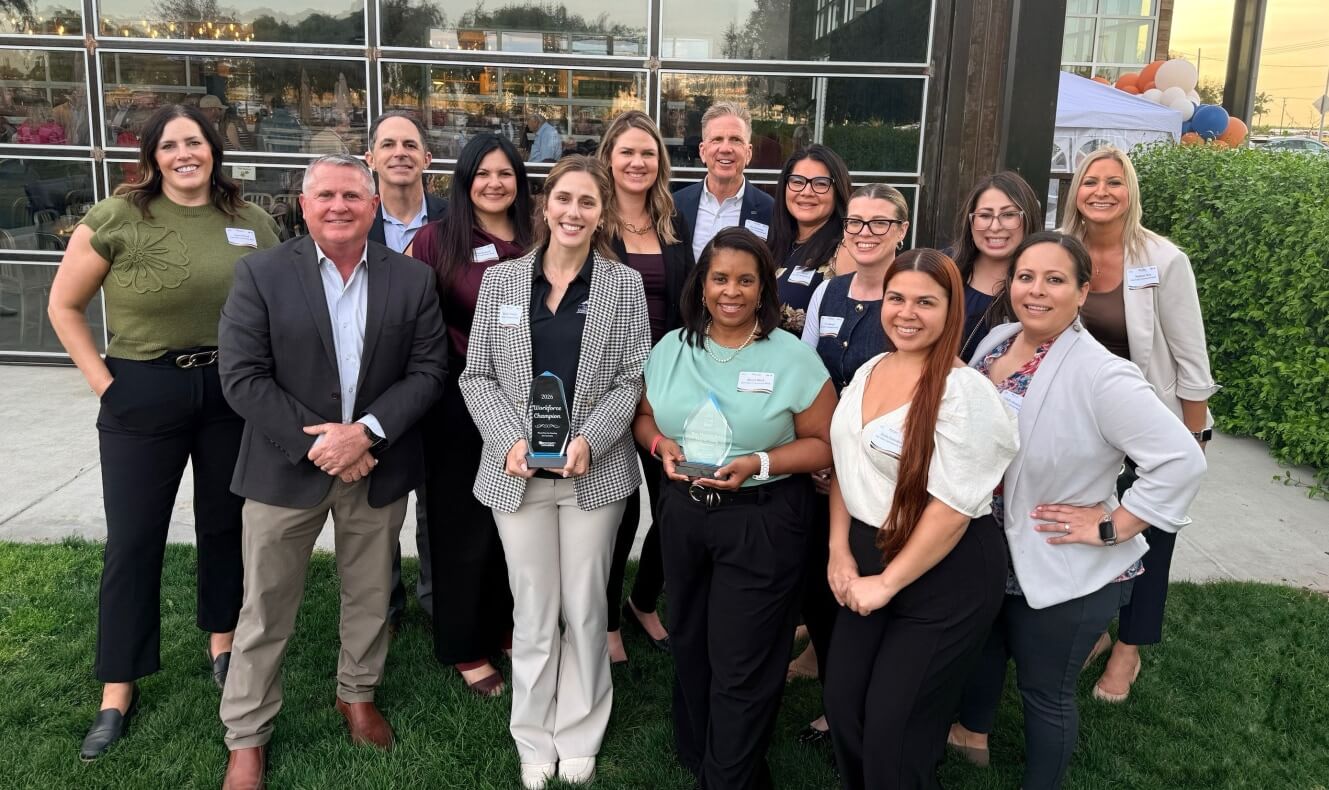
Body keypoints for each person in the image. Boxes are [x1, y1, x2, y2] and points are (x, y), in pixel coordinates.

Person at [46, 104, 281, 761]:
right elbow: (63, 305)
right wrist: (104, 383)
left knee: (224, 525)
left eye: (196, 142)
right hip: (141, 389)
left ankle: (224, 646)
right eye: (171, 144)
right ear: (152, 157)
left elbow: (280, 299)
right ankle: (117, 687)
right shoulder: (116, 217)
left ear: (213, 151)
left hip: (228, 392)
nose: (186, 153)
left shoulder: (249, 221)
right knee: (134, 539)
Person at [216, 154, 447, 788]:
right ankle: (247, 733)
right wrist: (321, 444)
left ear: (374, 205)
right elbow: (241, 376)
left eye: (352, 195)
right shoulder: (260, 274)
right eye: (326, 196)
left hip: (375, 462)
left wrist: (364, 434)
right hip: (284, 466)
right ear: (304, 204)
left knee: (371, 592)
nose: (339, 206)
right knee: (264, 605)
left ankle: (358, 693)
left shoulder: (412, 278)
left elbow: (428, 372)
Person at [950, 231, 1206, 789]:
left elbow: (1182, 461)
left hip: (1056, 558)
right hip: (985, 546)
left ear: (1084, 290)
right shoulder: (996, 339)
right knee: (983, 651)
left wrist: (1114, 523)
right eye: (1025, 277)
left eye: (1055, 279)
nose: (1036, 291)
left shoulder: (1102, 373)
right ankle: (971, 741)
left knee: (1045, 692)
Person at [460, 155, 650, 789]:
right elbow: (476, 374)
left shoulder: (623, 287)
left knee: (586, 607)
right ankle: (532, 733)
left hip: (593, 478)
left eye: (587, 204)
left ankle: (580, 730)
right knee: (535, 609)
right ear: (545, 206)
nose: (573, 213)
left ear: (602, 215)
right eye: (563, 200)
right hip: (518, 476)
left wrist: (592, 439)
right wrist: (507, 437)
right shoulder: (502, 282)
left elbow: (633, 376)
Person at [635, 227, 837, 789]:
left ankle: (730, 776)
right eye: (720, 278)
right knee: (693, 639)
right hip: (684, 514)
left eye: (746, 280)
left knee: (743, 657)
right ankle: (701, 748)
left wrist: (760, 463)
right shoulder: (671, 348)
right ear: (701, 285)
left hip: (762, 518)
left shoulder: (792, 357)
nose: (732, 291)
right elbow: (645, 418)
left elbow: (823, 442)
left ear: (763, 289)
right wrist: (659, 446)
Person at [822, 249, 1019, 789]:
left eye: (925, 302)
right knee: (843, 704)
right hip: (866, 552)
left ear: (951, 310)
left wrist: (886, 583)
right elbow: (847, 462)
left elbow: (952, 511)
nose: (907, 313)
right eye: (897, 298)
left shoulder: (967, 395)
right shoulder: (868, 370)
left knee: (895, 727)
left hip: (944, 573)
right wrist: (839, 549)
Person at [1059, 146, 1219, 702]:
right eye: (1090, 182)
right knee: (1093, 528)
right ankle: (1099, 630)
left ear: (1131, 193)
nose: (1101, 191)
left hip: (1157, 426)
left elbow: (1192, 361)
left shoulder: (1163, 259)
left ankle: (1129, 650)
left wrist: (1191, 444)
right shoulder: (1063, 250)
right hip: (1085, 423)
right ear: (1075, 191)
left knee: (1151, 539)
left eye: (1114, 182)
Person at [407, 132, 533, 697]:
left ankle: (504, 624)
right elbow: (414, 327)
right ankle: (463, 644)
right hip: (458, 403)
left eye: (505, 173)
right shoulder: (435, 241)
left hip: (530, 402)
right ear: (464, 180)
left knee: (517, 522)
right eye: (482, 173)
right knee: (462, 526)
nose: (494, 183)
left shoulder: (541, 235)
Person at [793, 183, 911, 744]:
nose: (865, 233)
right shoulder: (828, 293)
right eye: (856, 223)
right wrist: (818, 451)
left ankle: (852, 700)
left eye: (879, 223)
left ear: (901, 232)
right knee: (822, 580)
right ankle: (830, 671)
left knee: (867, 579)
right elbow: (809, 371)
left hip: (880, 470)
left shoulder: (909, 298)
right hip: (822, 461)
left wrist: (844, 459)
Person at [596, 110, 694, 664]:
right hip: (610, 383)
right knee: (621, 507)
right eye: (628, 151)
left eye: (648, 153)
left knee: (675, 500)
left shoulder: (672, 225)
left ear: (660, 163)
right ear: (610, 156)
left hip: (666, 385)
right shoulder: (592, 221)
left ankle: (643, 600)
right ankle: (606, 620)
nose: (637, 162)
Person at [364, 109, 449, 629]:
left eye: (410, 144)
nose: (400, 152)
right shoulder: (353, 217)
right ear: (370, 158)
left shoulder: (451, 218)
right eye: (388, 144)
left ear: (426, 159)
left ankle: (439, 598)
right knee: (377, 505)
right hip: (372, 384)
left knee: (436, 501)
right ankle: (384, 604)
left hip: (439, 378)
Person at [950, 171, 1042, 360]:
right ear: (971, 221)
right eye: (985, 215)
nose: (995, 226)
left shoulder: (1041, 288)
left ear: (1028, 217)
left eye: (1008, 215)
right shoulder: (942, 270)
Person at [673, 102, 775, 258]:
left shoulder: (770, 211)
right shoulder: (675, 206)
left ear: (748, 153)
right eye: (717, 139)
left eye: (735, 139)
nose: (726, 148)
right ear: (702, 151)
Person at [768, 144, 852, 334]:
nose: (806, 192)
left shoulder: (846, 250)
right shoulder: (775, 245)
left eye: (820, 183)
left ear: (837, 190)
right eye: (797, 182)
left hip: (811, 362)